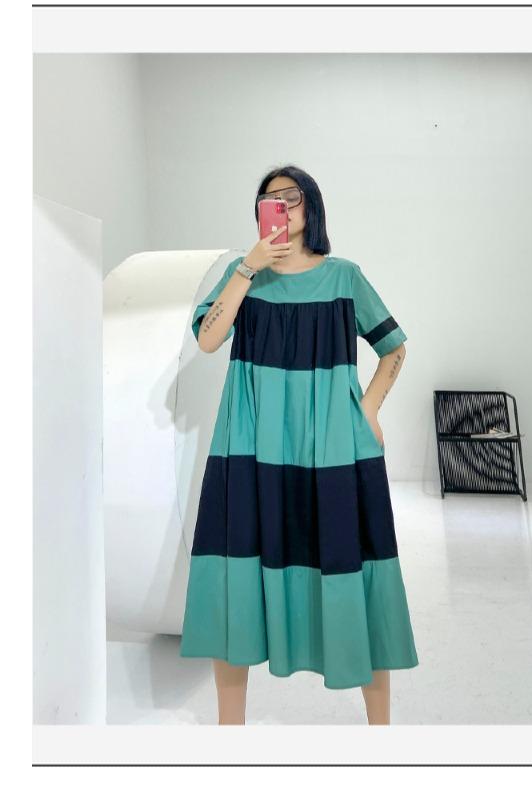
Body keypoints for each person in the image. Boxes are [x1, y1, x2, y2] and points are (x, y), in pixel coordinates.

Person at [180, 164, 418, 724]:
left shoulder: (344, 277)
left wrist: (369, 409)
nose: (282, 207)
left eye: (292, 197)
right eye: (270, 199)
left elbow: (394, 347)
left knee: (357, 566)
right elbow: (209, 339)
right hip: (250, 443)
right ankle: (229, 734)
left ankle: (382, 735)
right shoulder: (245, 276)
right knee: (236, 571)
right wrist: (247, 267)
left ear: (312, 205)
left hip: (331, 446)